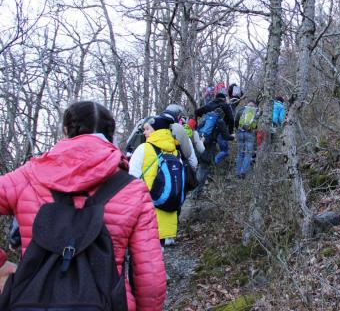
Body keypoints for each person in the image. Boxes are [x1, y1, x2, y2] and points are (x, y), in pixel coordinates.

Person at [0, 101, 166, 310]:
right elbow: (151, 278)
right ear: (111, 135)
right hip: (107, 302)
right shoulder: (134, 190)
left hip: (30, 298)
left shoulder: (27, 176)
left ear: (67, 130)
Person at [129, 115, 181, 247]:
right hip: (167, 210)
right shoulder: (174, 151)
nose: (145, 132)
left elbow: (130, 179)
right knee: (157, 256)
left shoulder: (144, 149)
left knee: (141, 259)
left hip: (146, 214)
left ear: (157, 131)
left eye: (147, 129)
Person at [194, 107, 234, 194]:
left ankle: (195, 190)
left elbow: (197, 129)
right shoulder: (219, 121)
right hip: (209, 146)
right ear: (222, 115)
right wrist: (233, 137)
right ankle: (196, 192)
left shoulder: (206, 118)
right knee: (204, 168)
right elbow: (226, 136)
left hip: (199, 143)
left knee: (200, 166)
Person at [195, 93, 234, 165]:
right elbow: (231, 119)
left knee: (203, 151)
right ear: (224, 99)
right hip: (220, 132)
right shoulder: (225, 105)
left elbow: (196, 112)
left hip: (204, 134)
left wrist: (196, 125)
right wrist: (230, 132)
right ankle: (213, 164)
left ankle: (200, 164)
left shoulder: (209, 105)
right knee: (225, 150)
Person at [234, 100, 258, 179]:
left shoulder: (242, 110)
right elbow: (256, 125)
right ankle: (243, 172)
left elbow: (236, 120)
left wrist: (237, 129)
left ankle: (237, 173)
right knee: (248, 154)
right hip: (250, 134)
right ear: (254, 105)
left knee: (240, 153)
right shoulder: (256, 112)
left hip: (240, 133)